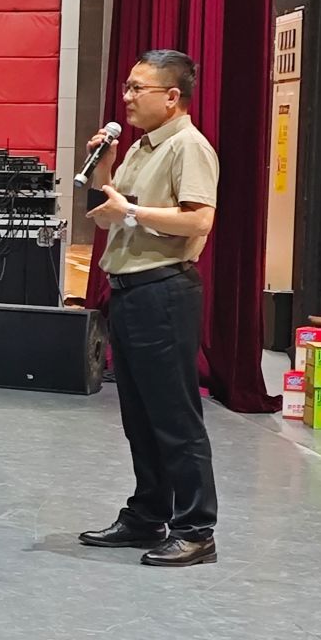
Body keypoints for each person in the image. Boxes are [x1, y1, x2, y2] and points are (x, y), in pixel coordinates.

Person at [78, 49, 222, 568]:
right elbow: (108, 213)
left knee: (174, 417)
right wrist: (107, 166)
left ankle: (196, 528)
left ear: (173, 96)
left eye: (139, 88)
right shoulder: (141, 146)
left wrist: (134, 211)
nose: (128, 97)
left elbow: (199, 220)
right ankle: (147, 514)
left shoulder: (189, 146)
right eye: (127, 87)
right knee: (139, 416)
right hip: (129, 292)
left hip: (163, 291)